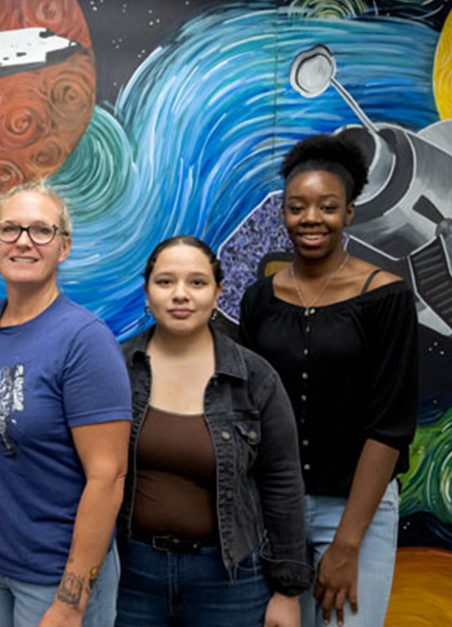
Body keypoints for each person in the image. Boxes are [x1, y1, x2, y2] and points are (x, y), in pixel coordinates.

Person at [239, 133, 419, 627]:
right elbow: (249, 411)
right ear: (283, 214)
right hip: (275, 508)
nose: (311, 219)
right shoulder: (259, 300)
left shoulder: (386, 298)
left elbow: (390, 426)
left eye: (327, 206)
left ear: (350, 213)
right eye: (297, 207)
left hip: (356, 512)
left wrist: (346, 545)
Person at [0, 181, 132, 627]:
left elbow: (108, 477)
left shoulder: (85, 341)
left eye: (41, 231)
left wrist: (71, 599)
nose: (23, 241)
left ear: (63, 247)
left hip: (53, 575)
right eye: (10, 228)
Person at [116, 235, 311, 627]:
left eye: (197, 282)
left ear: (218, 292)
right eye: (165, 282)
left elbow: (283, 482)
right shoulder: (116, 368)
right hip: (130, 576)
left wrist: (288, 591)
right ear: (147, 292)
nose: (180, 295)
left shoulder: (254, 378)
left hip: (230, 582)